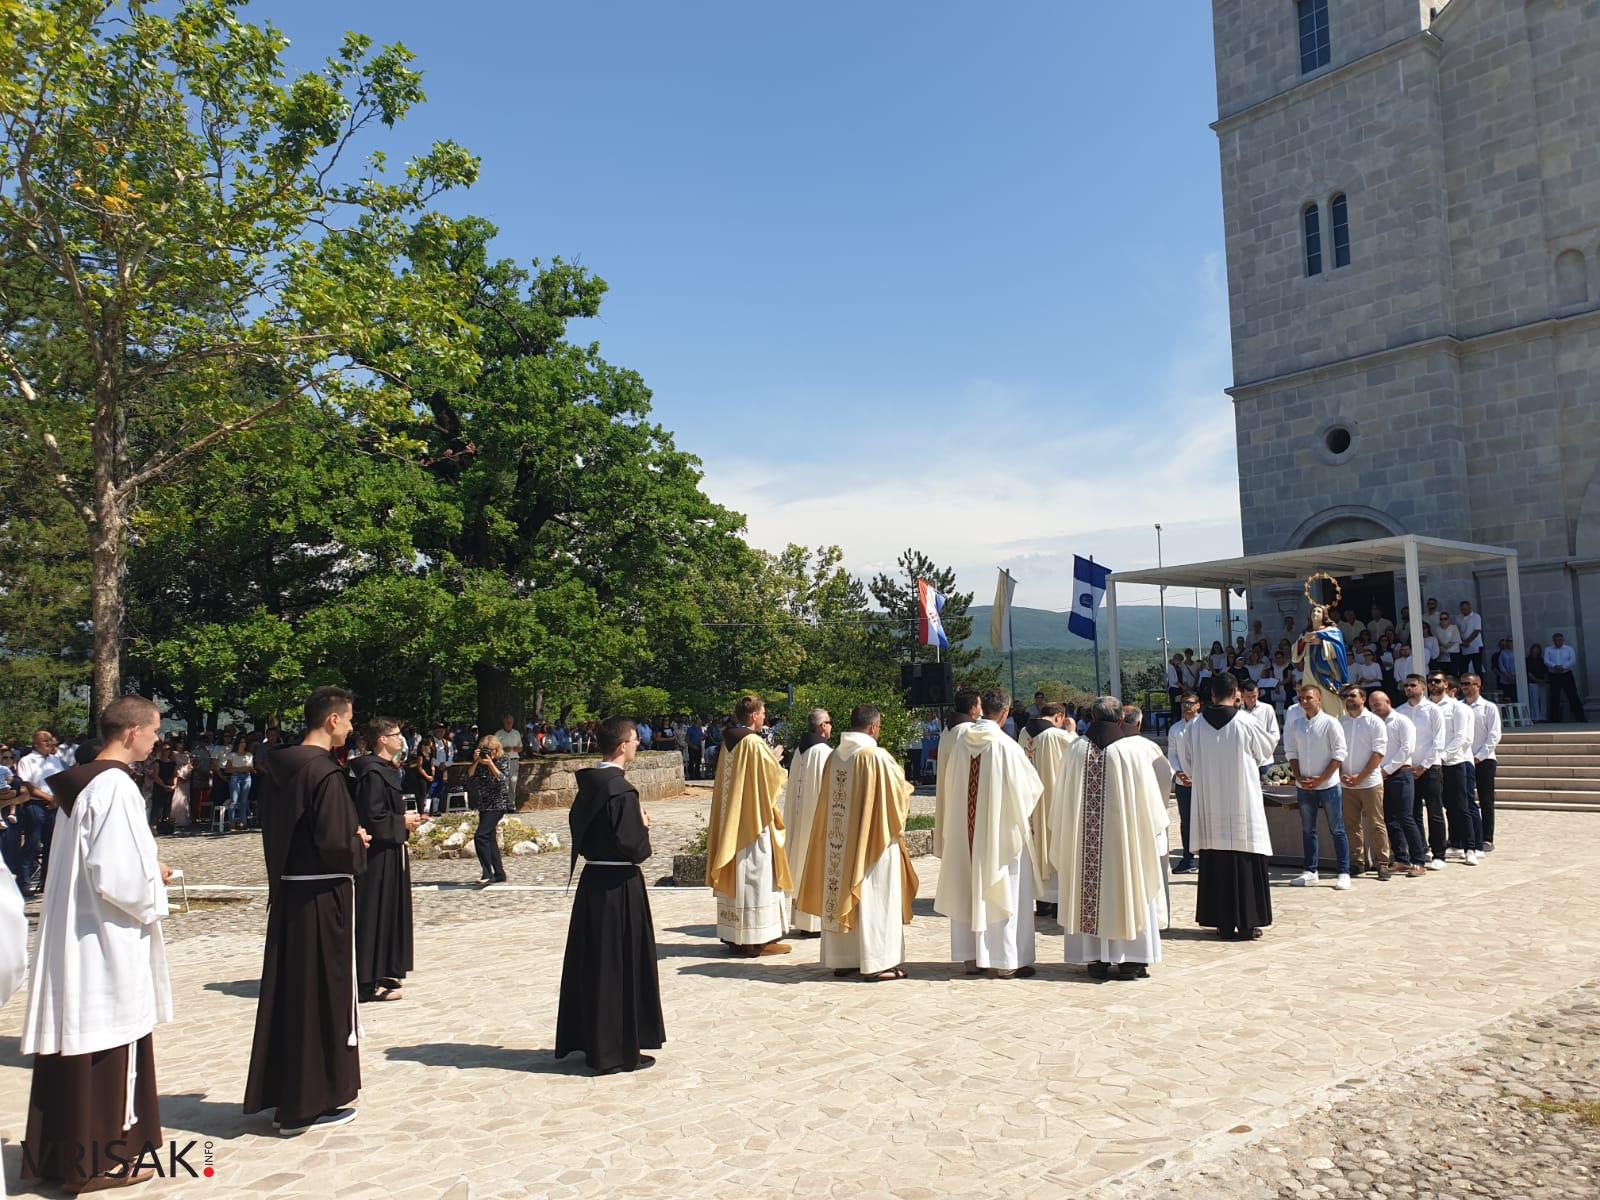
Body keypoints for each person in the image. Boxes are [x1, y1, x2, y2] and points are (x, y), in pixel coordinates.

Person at [20, 697, 172, 1193]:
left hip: (79, 931)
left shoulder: (82, 784)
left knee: (79, 1040)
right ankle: (100, 1162)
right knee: (108, 1037)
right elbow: (117, 876)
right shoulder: (115, 786)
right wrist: (154, 885)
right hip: (105, 937)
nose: (156, 740)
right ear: (131, 732)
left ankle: (61, 1159)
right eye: (153, 731)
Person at [244, 686, 371, 1134]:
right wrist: (358, 842)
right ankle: (307, 1104)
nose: (351, 728)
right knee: (319, 999)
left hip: (290, 895)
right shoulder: (324, 773)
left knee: (294, 997)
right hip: (321, 899)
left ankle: (289, 1094)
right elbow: (334, 844)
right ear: (332, 720)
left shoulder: (280, 769)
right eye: (349, 719)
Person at [556, 716, 664, 1074]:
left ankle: (593, 1043)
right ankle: (615, 1051)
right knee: (619, 966)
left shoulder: (588, 785)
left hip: (592, 884)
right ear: (622, 746)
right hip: (619, 887)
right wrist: (643, 826)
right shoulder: (621, 791)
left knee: (595, 965)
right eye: (634, 740)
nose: (637, 744)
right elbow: (633, 847)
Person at [795, 704, 919, 982]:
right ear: (873, 728)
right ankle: (876, 962)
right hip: (873, 842)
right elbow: (897, 799)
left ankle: (843, 959)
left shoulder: (835, 756)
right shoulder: (876, 756)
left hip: (838, 843)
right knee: (874, 897)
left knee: (841, 890)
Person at [1050, 696, 1168, 980]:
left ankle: (1096, 959)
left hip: (1084, 849)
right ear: (1120, 719)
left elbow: (1060, 805)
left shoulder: (1075, 750)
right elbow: (1151, 808)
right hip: (1127, 847)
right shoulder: (1132, 751)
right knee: (1129, 887)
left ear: (1091, 717)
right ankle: (1131, 960)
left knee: (1088, 890)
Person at [932, 689, 1043, 979]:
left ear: (983, 710)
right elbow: (1030, 791)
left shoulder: (959, 743)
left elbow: (951, 786)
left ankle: (971, 958)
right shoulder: (1006, 746)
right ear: (1005, 713)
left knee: (968, 888)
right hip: (997, 837)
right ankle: (1006, 961)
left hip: (964, 834)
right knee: (1004, 889)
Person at [1186, 673, 1277, 940]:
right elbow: (1265, 753)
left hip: (1210, 804)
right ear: (1236, 692)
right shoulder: (1246, 722)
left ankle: (1222, 923)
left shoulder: (1195, 726)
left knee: (1216, 860)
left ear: (1212, 694)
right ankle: (1248, 923)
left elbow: (1189, 763)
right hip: (1242, 802)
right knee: (1245, 859)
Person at [705, 695, 792, 957]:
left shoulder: (728, 741)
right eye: (763, 713)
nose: (765, 717)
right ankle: (757, 939)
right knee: (756, 876)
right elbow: (770, 779)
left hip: (732, 821)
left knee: (740, 876)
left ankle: (735, 936)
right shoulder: (753, 743)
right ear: (753, 715)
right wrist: (775, 761)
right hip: (753, 823)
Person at [350, 718, 422, 1003]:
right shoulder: (371, 772)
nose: (400, 739)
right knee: (373, 913)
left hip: (390, 851)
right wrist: (401, 821)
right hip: (376, 855)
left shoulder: (385, 769)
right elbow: (372, 816)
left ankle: (383, 970)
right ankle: (366, 981)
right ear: (382, 739)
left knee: (388, 911)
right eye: (396, 735)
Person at [1284, 682, 1351, 891]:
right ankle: (1310, 871)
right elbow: (1291, 752)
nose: (1305, 702)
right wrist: (1298, 776)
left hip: (1328, 785)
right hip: (1304, 785)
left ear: (1319, 699)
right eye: (1302, 698)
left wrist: (1322, 778)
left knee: (1337, 829)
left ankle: (1344, 872)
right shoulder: (1296, 724)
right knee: (1307, 829)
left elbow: (1339, 753)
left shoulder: (1331, 723)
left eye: (1309, 698)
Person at [781, 709, 833, 937]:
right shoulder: (824, 753)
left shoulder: (799, 752)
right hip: (815, 823)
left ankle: (804, 920)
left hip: (799, 820)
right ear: (822, 726)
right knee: (814, 864)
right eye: (829, 722)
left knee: (800, 863)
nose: (831, 726)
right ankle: (815, 921)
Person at [1022, 703, 1076, 919]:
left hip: (1030, 803)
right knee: (1055, 846)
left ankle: (1041, 902)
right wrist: (1071, 731)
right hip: (1053, 802)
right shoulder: (1057, 735)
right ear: (1059, 716)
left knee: (1036, 848)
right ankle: (1056, 904)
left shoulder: (1024, 733)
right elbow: (1078, 752)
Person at [1369, 689, 1425, 877]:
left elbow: (1407, 748)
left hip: (1400, 773)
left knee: (1405, 817)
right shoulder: (1374, 724)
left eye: (1378, 704)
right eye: (1372, 705)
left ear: (1388, 702)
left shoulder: (1402, 721)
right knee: (1389, 819)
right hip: (1380, 775)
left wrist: (1387, 770)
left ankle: (1419, 861)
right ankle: (1402, 859)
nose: (1375, 708)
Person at [1337, 685, 1390, 880]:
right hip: (1346, 783)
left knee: (1376, 823)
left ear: (1363, 699)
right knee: (1352, 825)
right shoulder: (1341, 722)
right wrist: (1341, 773)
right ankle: (1357, 862)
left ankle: (1382, 863)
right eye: (1346, 696)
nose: (1348, 699)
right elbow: (1336, 750)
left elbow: (1378, 753)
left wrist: (1360, 777)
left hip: (1370, 783)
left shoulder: (1374, 722)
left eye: (1352, 695)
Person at [1399, 674, 1447, 869]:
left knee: (1434, 811)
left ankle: (1439, 854)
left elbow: (1438, 741)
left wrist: (1423, 766)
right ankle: (1420, 850)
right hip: (1408, 769)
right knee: (1413, 812)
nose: (1408, 688)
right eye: (1406, 685)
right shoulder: (1400, 711)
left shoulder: (1433, 710)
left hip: (1430, 767)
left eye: (1412, 685)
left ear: (1423, 688)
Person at [1429, 672, 1476, 865]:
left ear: (1446, 684)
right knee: (1440, 807)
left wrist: (1443, 756)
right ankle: (1448, 844)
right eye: (1430, 681)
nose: (1433, 684)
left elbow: (1461, 737)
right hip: (1432, 765)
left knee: (1461, 806)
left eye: (1437, 681)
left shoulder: (1457, 707)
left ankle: (1470, 847)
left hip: (1453, 762)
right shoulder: (1427, 707)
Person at [14, 729, 68, 896]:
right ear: (36, 744)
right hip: (35, 805)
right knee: (32, 842)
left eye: (51, 740)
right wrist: (50, 798)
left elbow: (63, 780)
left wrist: (57, 800)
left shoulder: (56, 760)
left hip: (55, 806)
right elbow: (28, 785)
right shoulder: (27, 761)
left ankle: (47, 882)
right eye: (45, 741)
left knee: (52, 844)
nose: (49, 744)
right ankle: (24, 882)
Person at [1460, 674, 1502, 853]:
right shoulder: (1459, 707)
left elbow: (1494, 735)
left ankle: (1487, 838)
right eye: (1463, 684)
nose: (1466, 687)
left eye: (1469, 684)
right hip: (1463, 759)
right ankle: (1466, 836)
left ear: (1478, 685)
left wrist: (1479, 756)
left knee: (1486, 800)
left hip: (1484, 760)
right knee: (1463, 800)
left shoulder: (1488, 707)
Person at [468, 735, 513, 886]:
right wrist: (476, 761)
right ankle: (499, 874)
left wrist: (491, 764)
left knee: (480, 836)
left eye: (491, 750)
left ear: (497, 749)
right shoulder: (479, 762)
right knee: (490, 838)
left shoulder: (503, 760)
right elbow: (470, 775)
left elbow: (502, 780)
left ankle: (487, 873)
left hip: (497, 804)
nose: (488, 753)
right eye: (485, 750)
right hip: (484, 804)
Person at [1166, 692, 1201, 873]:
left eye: (1190, 703)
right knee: (1186, 820)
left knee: (1205, 820)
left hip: (1202, 782)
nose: (1186, 706)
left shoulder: (1204, 726)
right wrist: (1179, 773)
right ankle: (1188, 859)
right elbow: (1172, 754)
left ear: (1198, 705)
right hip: (1183, 783)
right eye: (1183, 703)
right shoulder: (1175, 729)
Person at [1293, 606, 1349, 717]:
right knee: (1310, 698)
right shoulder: (1306, 633)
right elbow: (1295, 656)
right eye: (1313, 611)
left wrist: (1321, 642)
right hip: (1309, 670)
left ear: (1324, 615)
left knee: (1329, 701)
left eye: (1318, 611)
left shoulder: (1332, 631)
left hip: (1327, 671)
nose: (1315, 613)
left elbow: (1339, 649)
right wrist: (1303, 641)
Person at [1238, 679, 1280, 769]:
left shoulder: (1267, 709)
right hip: (1246, 760)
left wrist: (1267, 750)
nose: (1252, 699)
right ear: (1242, 695)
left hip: (1265, 760)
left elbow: (1275, 733)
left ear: (1258, 693)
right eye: (1248, 697)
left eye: (1254, 696)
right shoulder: (1238, 711)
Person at [1543, 633, 1585, 723]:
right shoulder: (1548, 649)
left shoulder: (1569, 649)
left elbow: (1573, 661)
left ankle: (1580, 717)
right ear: (1554, 641)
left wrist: (1563, 667)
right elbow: (1546, 661)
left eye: (1561, 640)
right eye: (1557, 640)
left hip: (1566, 674)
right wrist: (1554, 666)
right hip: (1554, 675)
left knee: (1573, 695)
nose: (1560, 642)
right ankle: (1554, 719)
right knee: (1554, 696)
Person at [1457, 602, 1484, 677]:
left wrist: (1467, 641)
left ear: (1470, 608)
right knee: (1463, 668)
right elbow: (1457, 631)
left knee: (1477, 668)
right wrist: (1462, 642)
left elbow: (1477, 630)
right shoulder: (1458, 617)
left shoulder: (1476, 616)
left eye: (1466, 608)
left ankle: (1479, 683)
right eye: (1462, 609)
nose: (1464, 610)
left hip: (1476, 646)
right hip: (1464, 646)